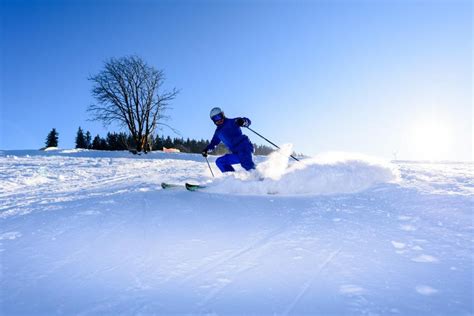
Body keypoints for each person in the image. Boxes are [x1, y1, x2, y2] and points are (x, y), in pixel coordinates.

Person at [202, 107, 256, 173]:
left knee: (246, 163)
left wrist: (243, 121)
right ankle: (232, 180)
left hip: (244, 147)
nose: (218, 120)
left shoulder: (233, 121)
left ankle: (260, 180)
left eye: (219, 116)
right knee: (220, 161)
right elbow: (214, 143)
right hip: (236, 153)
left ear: (223, 115)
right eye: (215, 118)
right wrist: (207, 150)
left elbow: (248, 121)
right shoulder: (218, 132)